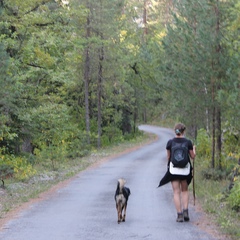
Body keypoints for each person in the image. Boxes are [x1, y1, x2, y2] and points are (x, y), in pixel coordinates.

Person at [158, 123, 196, 222]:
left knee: (176, 192)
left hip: (174, 170)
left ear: (175, 131)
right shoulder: (188, 142)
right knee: (185, 191)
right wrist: (194, 149)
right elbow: (192, 156)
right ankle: (186, 211)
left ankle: (179, 215)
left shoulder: (170, 142)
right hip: (185, 170)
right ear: (184, 131)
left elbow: (168, 157)